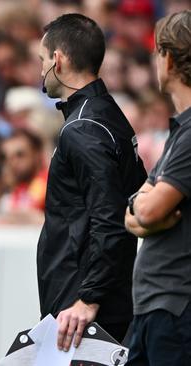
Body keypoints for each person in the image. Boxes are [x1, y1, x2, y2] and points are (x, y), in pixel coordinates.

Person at [35, 13, 147, 352]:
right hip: (94, 297)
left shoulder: (83, 128)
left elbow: (110, 219)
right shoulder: (106, 112)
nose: (40, 71)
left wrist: (89, 297)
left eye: (42, 60)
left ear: (58, 59)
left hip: (82, 307)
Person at [124, 10, 191, 365]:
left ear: (168, 57)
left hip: (176, 307)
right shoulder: (181, 131)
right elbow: (135, 215)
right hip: (155, 305)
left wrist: (144, 210)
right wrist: (144, 210)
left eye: (156, 53)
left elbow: (146, 210)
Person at [1, 128, 48, 212]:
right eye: (8, 157)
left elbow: (27, 213)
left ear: (37, 155)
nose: (13, 163)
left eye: (20, 155)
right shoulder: (19, 187)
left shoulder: (48, 182)